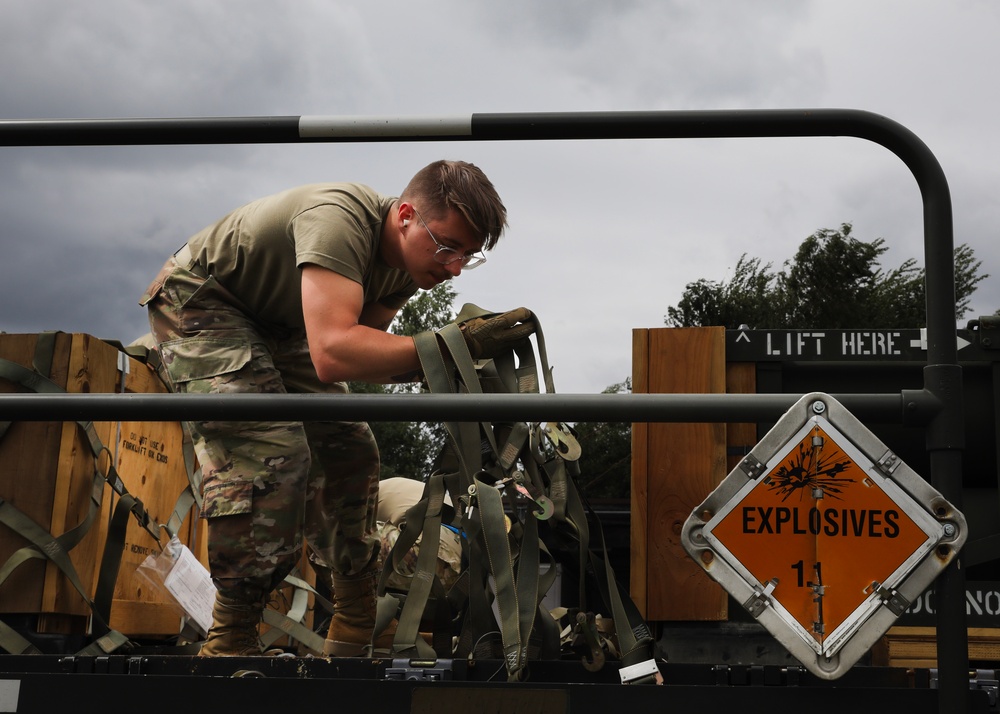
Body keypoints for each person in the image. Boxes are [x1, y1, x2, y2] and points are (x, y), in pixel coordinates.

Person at [139, 160, 530, 657]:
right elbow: (333, 354)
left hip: (282, 328)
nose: (453, 268)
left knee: (351, 451)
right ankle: (231, 636)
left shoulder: (411, 265)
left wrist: (457, 357)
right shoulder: (340, 219)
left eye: (467, 257)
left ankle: (354, 621)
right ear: (406, 214)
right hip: (202, 300)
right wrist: (452, 347)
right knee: (273, 454)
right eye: (448, 247)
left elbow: (364, 352)